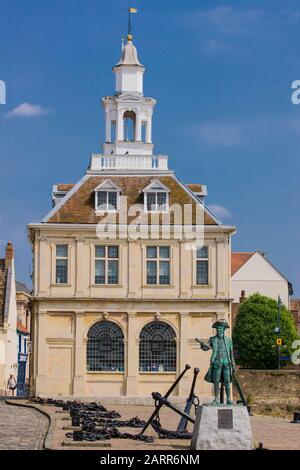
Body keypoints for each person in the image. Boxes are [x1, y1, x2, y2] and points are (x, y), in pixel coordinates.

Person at [196, 319, 235, 405]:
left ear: (223, 329)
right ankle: (216, 399)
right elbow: (206, 348)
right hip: (216, 363)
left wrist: (233, 364)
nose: (218, 330)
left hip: (226, 363)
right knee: (216, 381)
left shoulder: (229, 340)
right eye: (217, 329)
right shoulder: (212, 339)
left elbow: (231, 353)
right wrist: (203, 345)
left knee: (227, 381)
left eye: (220, 328)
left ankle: (228, 399)